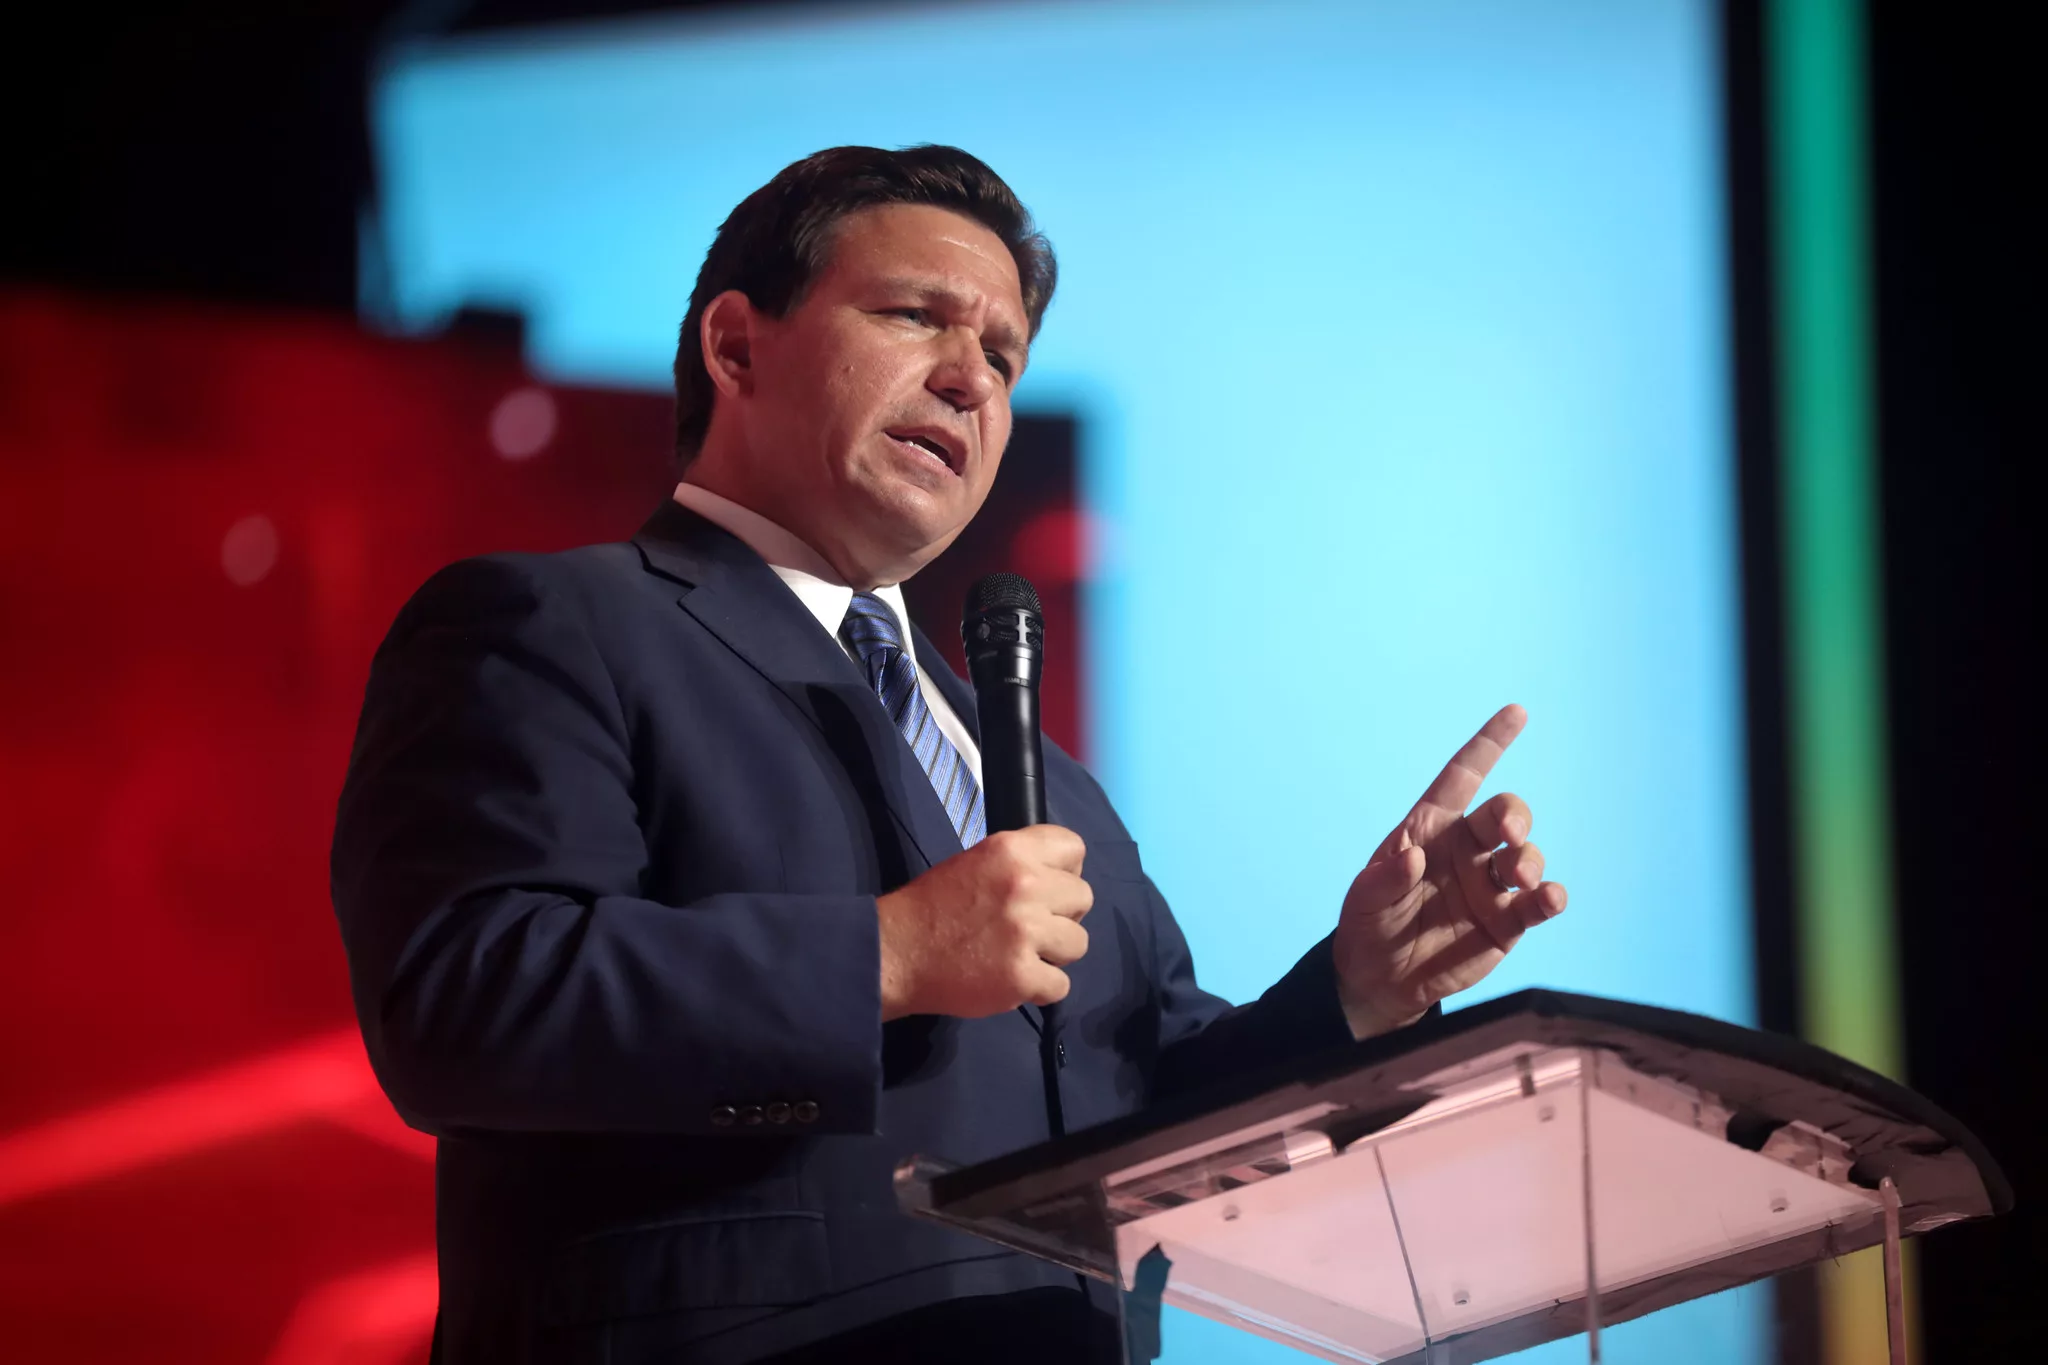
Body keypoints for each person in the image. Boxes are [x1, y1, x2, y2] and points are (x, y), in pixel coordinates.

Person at [330, 144, 1567, 1365]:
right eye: (917, 318)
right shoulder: (558, 626)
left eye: (1002, 357)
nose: (971, 382)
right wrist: (890, 956)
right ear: (735, 345)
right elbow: (464, 998)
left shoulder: (1041, 769)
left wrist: (1355, 990)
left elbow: (1144, 1111)